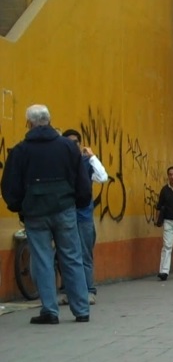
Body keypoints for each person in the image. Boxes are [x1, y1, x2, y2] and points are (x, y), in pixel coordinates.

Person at [1, 104, 91, 324]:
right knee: (72, 257)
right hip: (65, 209)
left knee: (42, 260)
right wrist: (78, 202)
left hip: (35, 213)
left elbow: (10, 185)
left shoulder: (21, 150)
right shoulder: (67, 147)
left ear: (30, 123)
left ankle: (50, 311)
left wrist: (19, 207)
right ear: (49, 121)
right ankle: (81, 310)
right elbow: (81, 180)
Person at [57, 129, 108, 306]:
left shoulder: (85, 162)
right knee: (65, 256)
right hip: (65, 215)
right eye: (68, 142)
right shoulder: (61, 163)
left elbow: (102, 177)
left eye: (75, 142)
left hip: (83, 217)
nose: (72, 145)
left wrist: (92, 157)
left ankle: (89, 291)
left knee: (84, 255)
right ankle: (68, 292)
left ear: (80, 144)